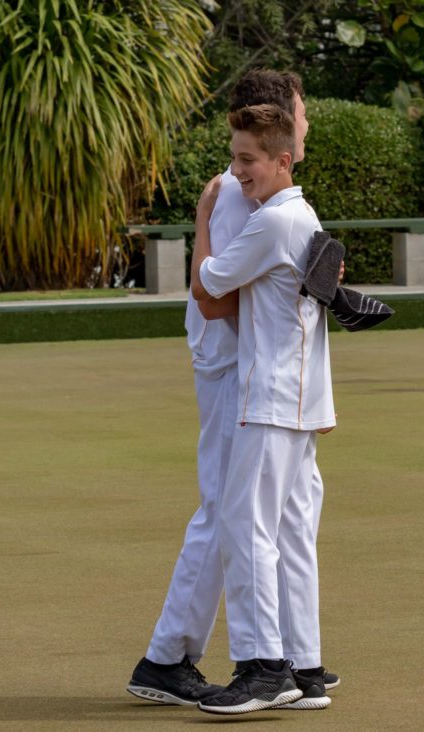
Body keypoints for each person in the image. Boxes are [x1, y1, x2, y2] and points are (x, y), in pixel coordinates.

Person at [127, 70, 337, 710]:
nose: (307, 125)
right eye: (301, 114)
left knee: (279, 516)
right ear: (279, 125)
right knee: (234, 514)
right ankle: (179, 658)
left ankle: (290, 662)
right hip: (235, 373)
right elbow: (214, 299)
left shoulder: (276, 203)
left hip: (271, 381)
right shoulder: (238, 194)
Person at [190, 103, 335, 715]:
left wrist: (203, 218)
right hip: (298, 398)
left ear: (281, 160)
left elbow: (207, 289)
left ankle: (261, 669)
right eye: (234, 157)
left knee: (245, 530)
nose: (237, 171)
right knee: (288, 533)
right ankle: (303, 667)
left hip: (267, 396)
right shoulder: (304, 216)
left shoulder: (273, 222)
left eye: (247, 159)